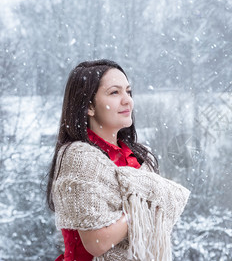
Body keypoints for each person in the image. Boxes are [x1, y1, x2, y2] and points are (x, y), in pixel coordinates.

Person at [46, 60, 190, 261]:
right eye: (115, 92)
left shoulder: (137, 158)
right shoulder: (79, 157)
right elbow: (98, 242)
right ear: (89, 106)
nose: (127, 100)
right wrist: (140, 207)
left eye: (128, 92)